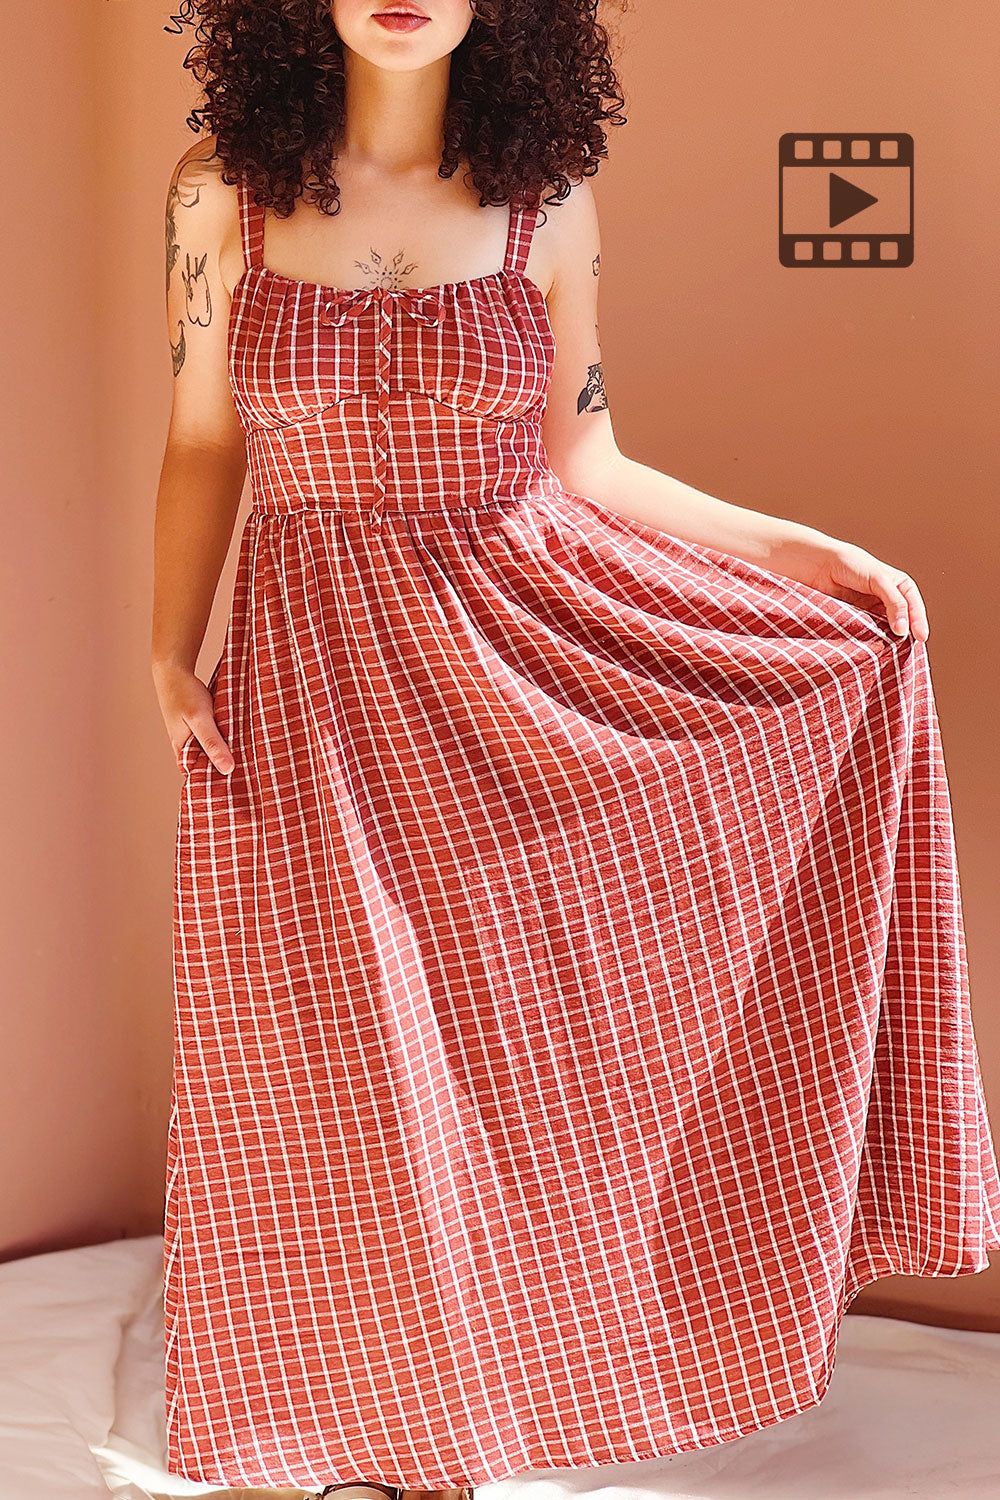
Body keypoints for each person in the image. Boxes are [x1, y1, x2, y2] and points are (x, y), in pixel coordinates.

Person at [151, 2, 1000, 1497]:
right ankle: (334, 1430)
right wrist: (171, 647)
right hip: (312, 675)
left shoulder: (544, 201)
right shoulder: (221, 191)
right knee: (318, 1061)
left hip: (517, 657)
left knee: (499, 1061)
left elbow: (583, 458)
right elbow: (206, 437)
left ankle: (460, 1436)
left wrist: (806, 556)